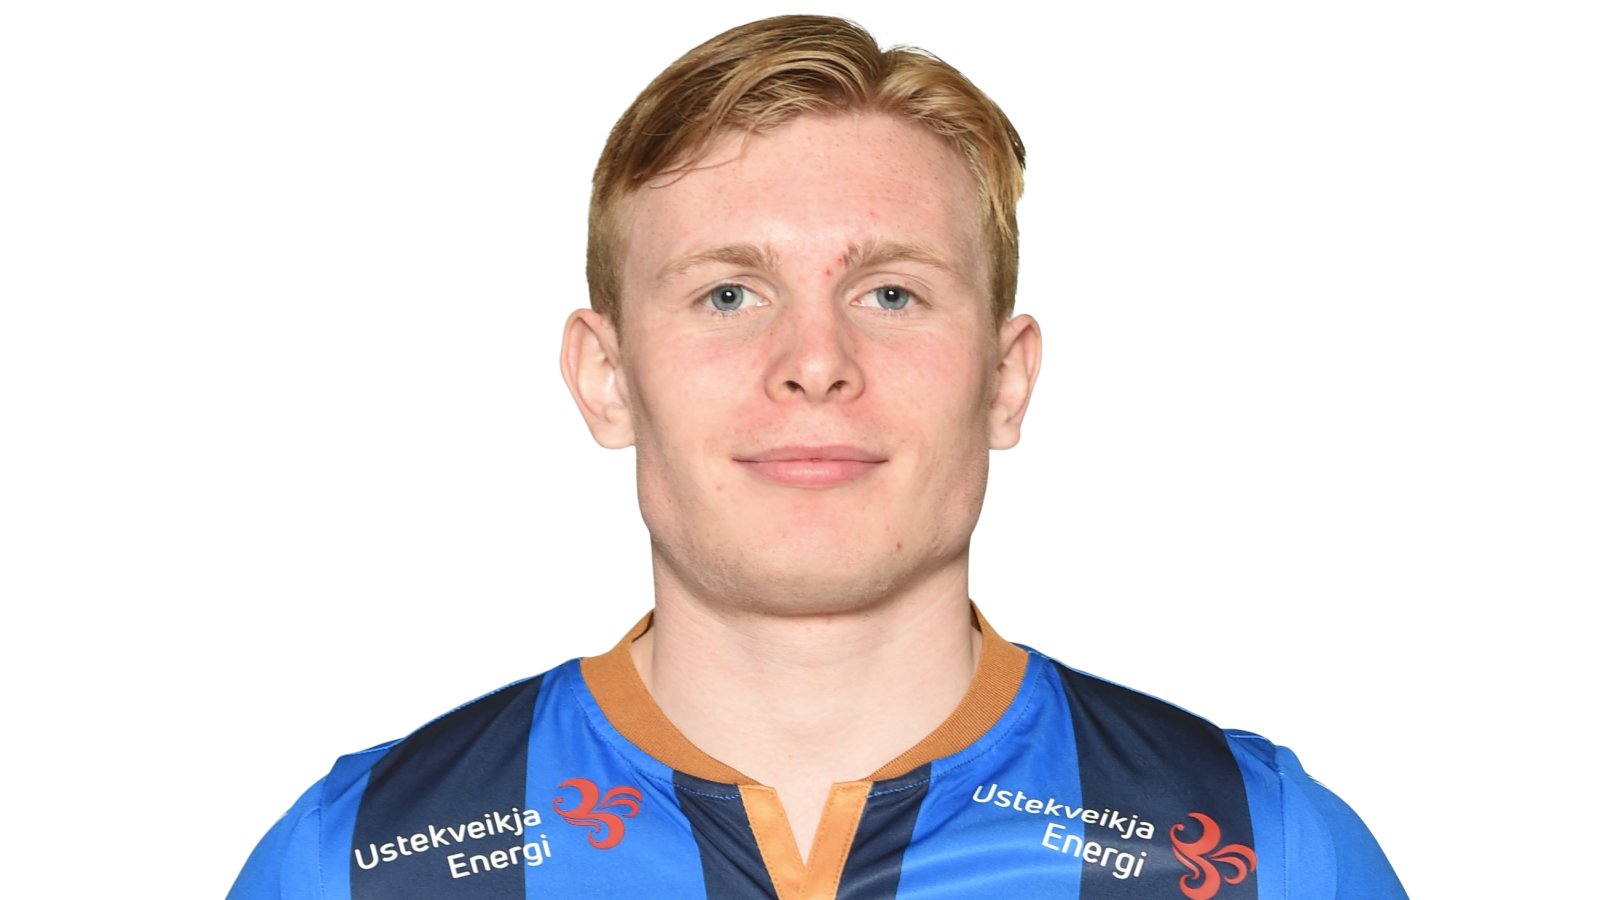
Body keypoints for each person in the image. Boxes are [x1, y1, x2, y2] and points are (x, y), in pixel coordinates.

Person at [229, 15, 1406, 899]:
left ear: (1004, 380)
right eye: (727, 294)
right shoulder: (365, 860)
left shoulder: (1260, 852)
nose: (812, 362)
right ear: (606, 376)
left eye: (890, 293)